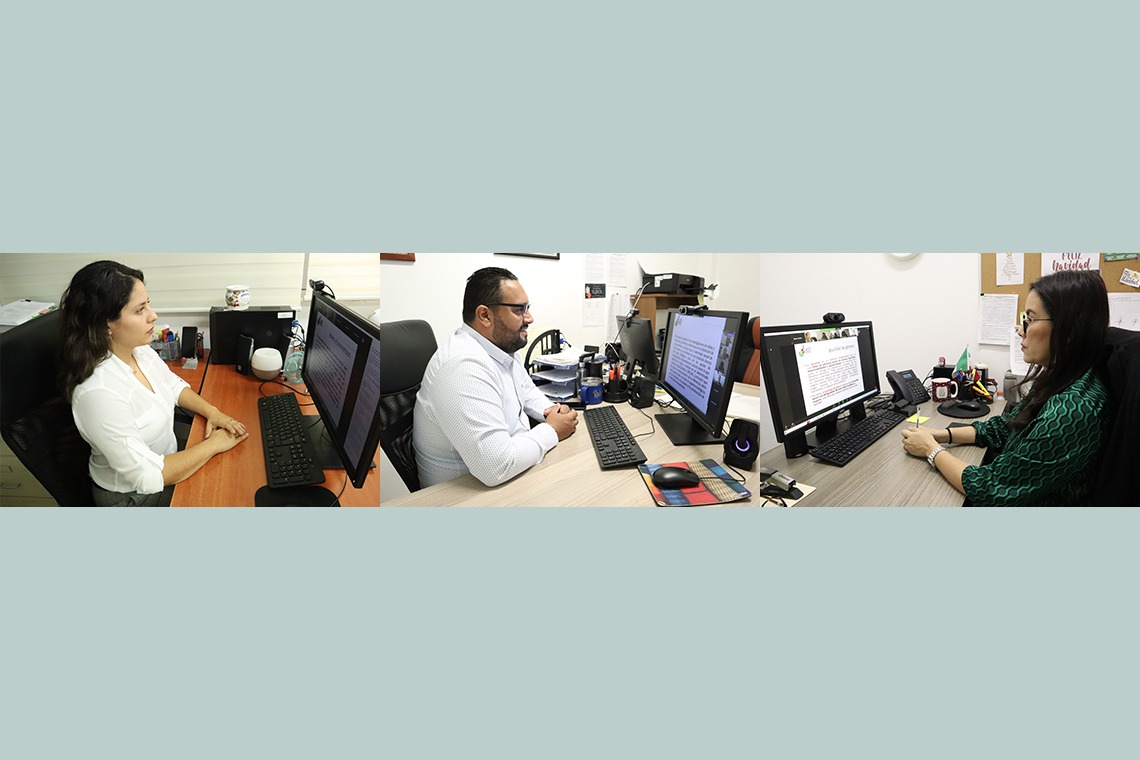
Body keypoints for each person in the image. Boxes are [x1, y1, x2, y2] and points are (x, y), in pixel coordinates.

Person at [901, 270, 1111, 506]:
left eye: (1030, 320)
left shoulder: (1072, 411)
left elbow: (990, 488)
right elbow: (1005, 427)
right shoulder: (1062, 379)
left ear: (1070, 329)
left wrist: (931, 450)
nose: (1020, 330)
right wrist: (939, 435)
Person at [60, 260, 250, 506]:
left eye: (148, 304)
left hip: (169, 460)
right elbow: (148, 476)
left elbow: (173, 385)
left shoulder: (138, 350)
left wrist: (212, 412)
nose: (153, 315)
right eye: (140, 310)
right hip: (134, 495)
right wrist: (214, 445)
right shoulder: (98, 393)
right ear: (105, 324)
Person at [414, 267, 580, 488]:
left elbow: (526, 390)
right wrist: (553, 430)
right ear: (485, 315)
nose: (530, 318)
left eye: (527, 308)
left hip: (512, 472)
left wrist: (551, 411)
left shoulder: (502, 347)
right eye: (519, 310)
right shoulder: (463, 367)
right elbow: (496, 467)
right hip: (466, 494)